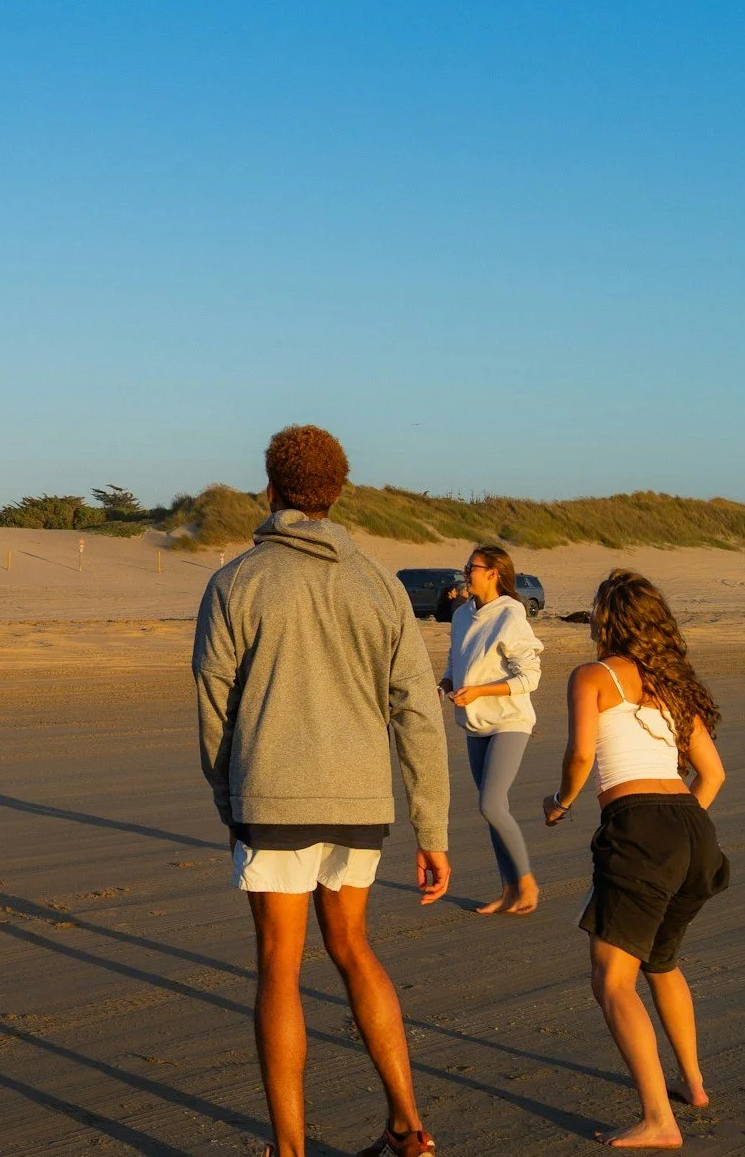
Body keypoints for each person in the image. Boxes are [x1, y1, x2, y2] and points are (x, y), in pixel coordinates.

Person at [193, 425, 452, 1157]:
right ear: (336, 494)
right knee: (353, 946)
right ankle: (408, 1123)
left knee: (280, 963)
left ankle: (290, 1148)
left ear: (270, 489)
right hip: (360, 800)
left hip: (270, 795)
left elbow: (214, 708)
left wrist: (229, 801)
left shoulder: (237, 581)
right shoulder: (378, 583)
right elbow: (418, 712)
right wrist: (431, 829)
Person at [542, 570, 729, 1150]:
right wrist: (678, 831)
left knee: (611, 978)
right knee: (662, 962)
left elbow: (580, 754)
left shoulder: (592, 676)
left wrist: (561, 803)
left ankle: (658, 1118)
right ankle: (693, 1084)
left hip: (640, 827)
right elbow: (713, 774)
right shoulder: (674, 684)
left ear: (606, 621)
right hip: (694, 831)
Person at [440, 544, 544, 915]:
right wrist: (447, 683)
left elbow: (529, 677)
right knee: (493, 809)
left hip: (509, 722)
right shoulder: (462, 615)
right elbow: (456, 658)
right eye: (467, 566)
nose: (465, 572)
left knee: (491, 803)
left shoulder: (511, 615)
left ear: (493, 573)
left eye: (472, 567)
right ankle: (508, 890)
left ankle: (528, 884)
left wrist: (480, 690)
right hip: (474, 724)